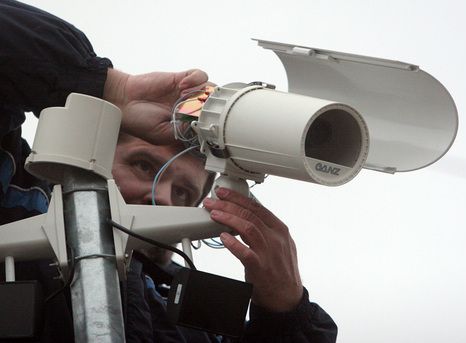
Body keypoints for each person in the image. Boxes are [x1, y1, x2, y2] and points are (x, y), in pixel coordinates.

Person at [0, 0, 338, 342]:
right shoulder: (16, 199)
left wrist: (284, 316)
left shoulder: (196, 327)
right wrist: (108, 88)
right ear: (97, 150)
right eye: (144, 165)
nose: (162, 196)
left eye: (183, 193)